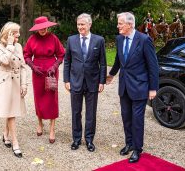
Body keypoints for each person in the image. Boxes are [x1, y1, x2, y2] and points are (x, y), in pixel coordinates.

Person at [106, 12, 159, 163]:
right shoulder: (119, 39)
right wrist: (111, 74)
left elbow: (153, 66)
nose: (118, 26)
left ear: (130, 24)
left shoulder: (144, 40)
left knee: (137, 119)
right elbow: (118, 59)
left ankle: (137, 148)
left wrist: (153, 88)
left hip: (140, 87)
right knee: (126, 118)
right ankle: (129, 143)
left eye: (120, 23)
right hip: (124, 86)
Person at [63, 13, 107, 152]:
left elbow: (103, 63)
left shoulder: (99, 40)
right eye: (78, 24)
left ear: (89, 25)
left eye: (82, 24)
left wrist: (102, 81)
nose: (80, 27)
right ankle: (76, 139)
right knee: (76, 112)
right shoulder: (71, 40)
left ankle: (89, 140)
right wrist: (66, 80)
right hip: (75, 82)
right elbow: (67, 62)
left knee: (91, 113)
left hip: (92, 82)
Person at [23, 16, 65, 144]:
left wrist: (54, 66)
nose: (42, 30)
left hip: (51, 72)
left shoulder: (53, 38)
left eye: (44, 27)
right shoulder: (32, 39)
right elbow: (26, 55)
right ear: (37, 28)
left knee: (52, 98)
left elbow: (61, 54)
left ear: (48, 26)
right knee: (39, 97)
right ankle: (40, 123)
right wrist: (32, 66)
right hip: (38, 72)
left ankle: (52, 128)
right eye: (40, 28)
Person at [0, 22, 28, 158]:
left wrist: (24, 84)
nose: (18, 36)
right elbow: (5, 60)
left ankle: (5, 134)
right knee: (11, 112)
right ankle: (15, 142)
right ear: (9, 33)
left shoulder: (19, 46)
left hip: (17, 82)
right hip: (5, 82)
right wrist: (10, 45)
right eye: (16, 33)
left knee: (10, 109)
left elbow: (23, 66)